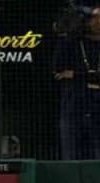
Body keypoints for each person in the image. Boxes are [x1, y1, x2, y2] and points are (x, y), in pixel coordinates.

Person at [56, 7, 100, 159]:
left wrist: (76, 74)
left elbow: (70, 73)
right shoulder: (74, 43)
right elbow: (58, 68)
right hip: (76, 103)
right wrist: (66, 34)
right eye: (94, 17)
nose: (97, 21)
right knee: (72, 151)